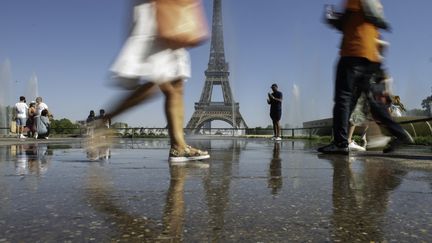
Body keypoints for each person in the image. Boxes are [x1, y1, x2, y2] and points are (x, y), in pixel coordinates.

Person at [94, 0, 210, 163]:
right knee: (159, 80)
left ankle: (178, 146)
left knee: (176, 84)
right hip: (158, 10)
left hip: (172, 10)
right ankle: (104, 121)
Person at [319, 0, 412, 154]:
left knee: (343, 98)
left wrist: (332, 18)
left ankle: (341, 143)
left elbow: (345, 21)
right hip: (370, 56)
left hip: (353, 51)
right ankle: (400, 133)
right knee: (371, 102)